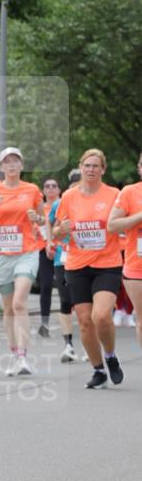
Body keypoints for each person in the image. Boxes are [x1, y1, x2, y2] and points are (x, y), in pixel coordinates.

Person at [54, 148, 123, 389]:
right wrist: (60, 231)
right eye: (87, 165)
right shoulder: (69, 197)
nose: (91, 170)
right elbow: (56, 230)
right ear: (80, 168)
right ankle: (98, 370)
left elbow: (120, 223)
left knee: (101, 316)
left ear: (103, 169)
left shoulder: (114, 194)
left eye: (96, 166)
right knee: (84, 321)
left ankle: (111, 357)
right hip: (77, 264)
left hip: (107, 262)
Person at [0, 147, 45, 376]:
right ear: (1, 167)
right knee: (8, 308)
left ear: (22, 166)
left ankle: (24, 357)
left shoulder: (32, 190)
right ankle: (15, 354)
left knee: (19, 303)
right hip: (2, 255)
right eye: (7, 161)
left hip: (26, 251)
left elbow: (43, 219)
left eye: (16, 161)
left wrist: (38, 219)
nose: (12, 165)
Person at [108, 151, 142, 354]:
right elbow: (112, 225)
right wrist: (139, 216)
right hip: (137, 267)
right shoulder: (129, 192)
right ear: (139, 168)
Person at [46, 172, 80, 363]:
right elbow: (50, 222)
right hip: (62, 257)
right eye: (73, 187)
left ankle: (91, 342)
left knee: (84, 303)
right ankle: (68, 345)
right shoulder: (61, 203)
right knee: (65, 300)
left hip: (85, 258)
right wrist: (50, 242)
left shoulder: (90, 201)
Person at [37, 177, 62, 337]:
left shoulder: (63, 205)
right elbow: (33, 227)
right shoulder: (40, 208)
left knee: (65, 287)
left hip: (62, 250)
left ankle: (70, 316)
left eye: (54, 186)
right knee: (45, 286)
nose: (51, 188)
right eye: (47, 186)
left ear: (59, 190)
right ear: (43, 191)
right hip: (43, 250)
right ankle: (44, 323)